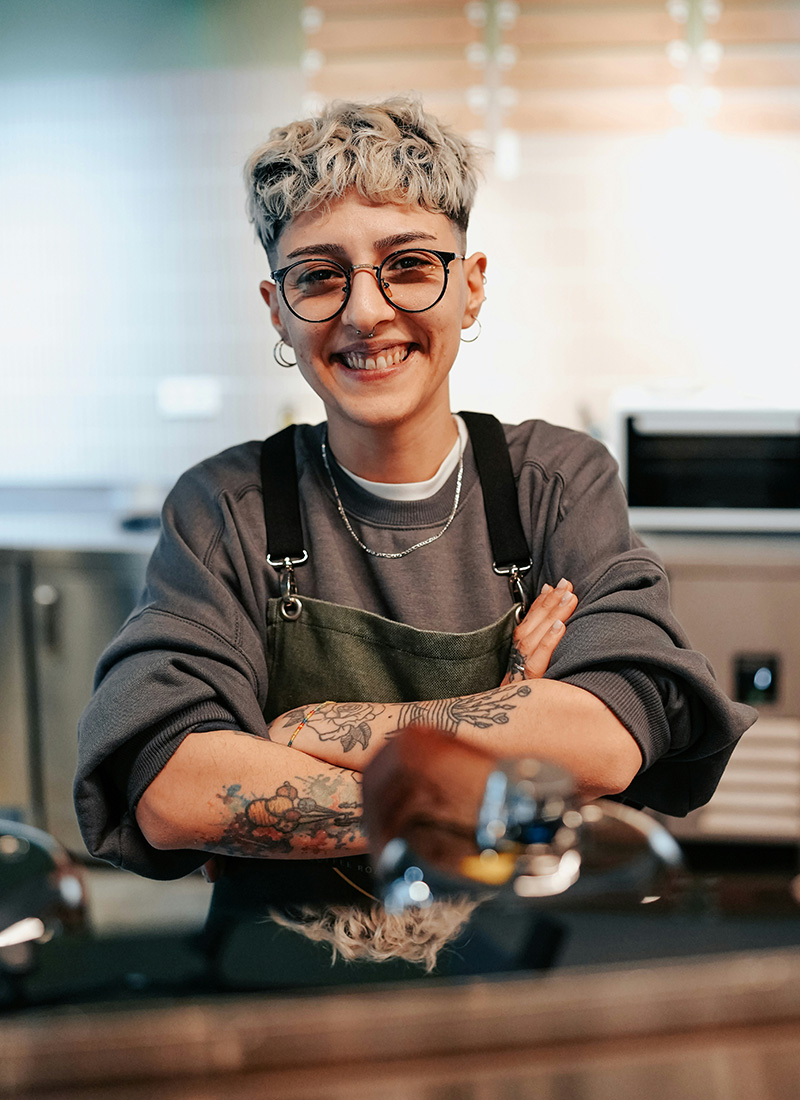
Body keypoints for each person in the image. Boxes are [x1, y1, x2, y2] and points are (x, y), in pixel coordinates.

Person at [75, 98, 754, 959]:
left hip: (504, 985)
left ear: (469, 287)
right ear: (277, 310)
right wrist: (510, 723)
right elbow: (175, 790)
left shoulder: (556, 483)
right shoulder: (224, 507)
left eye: (407, 265)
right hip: (278, 1002)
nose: (365, 312)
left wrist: (307, 730)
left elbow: (608, 737)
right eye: (320, 275)